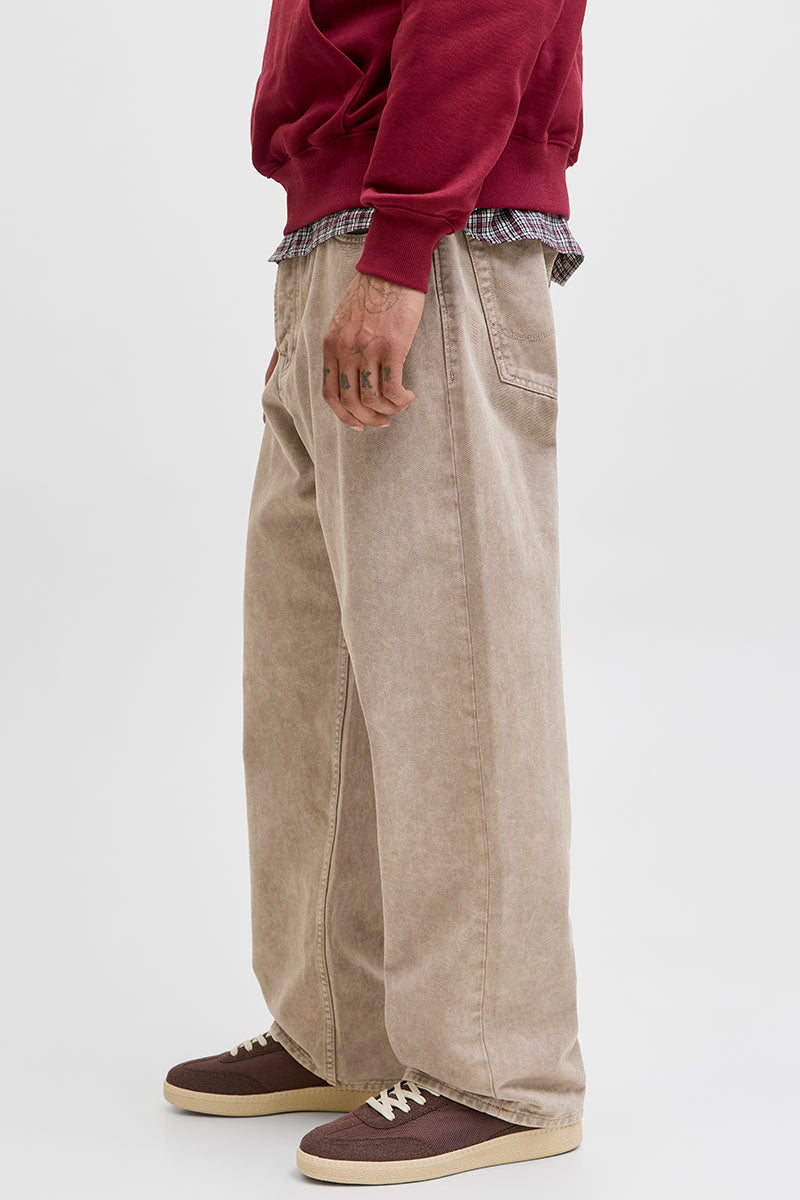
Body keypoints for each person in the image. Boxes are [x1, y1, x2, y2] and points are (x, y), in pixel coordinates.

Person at [164, 0, 588, 1184]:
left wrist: (400, 248)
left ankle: (502, 1072)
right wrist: (322, 281)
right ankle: (340, 1028)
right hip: (337, 238)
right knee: (312, 676)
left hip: (439, 232)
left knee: (454, 665)